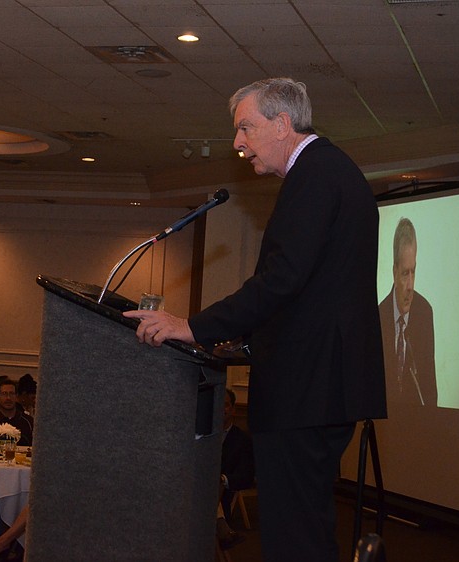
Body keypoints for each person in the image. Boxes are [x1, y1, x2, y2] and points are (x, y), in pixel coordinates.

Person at [124, 78, 386, 561]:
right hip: (320, 387)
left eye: (246, 128)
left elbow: (282, 280)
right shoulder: (328, 171)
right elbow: (306, 291)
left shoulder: (315, 175)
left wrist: (192, 326)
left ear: (282, 124)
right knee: (303, 529)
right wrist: (243, 340)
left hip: (306, 388)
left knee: (295, 538)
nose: (237, 143)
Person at [379, 217, 437, 407]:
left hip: (416, 427)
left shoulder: (424, 313)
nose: (411, 285)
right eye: (405, 273)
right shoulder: (378, 316)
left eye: (414, 272)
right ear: (395, 272)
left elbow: (429, 387)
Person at [217, 388, 254, 550]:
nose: (220, 409)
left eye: (225, 405)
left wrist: (223, 479)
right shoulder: (199, 435)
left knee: (211, 484)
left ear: (233, 409)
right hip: (191, 493)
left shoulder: (242, 440)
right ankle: (221, 527)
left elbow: (246, 476)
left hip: (222, 495)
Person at [0, 380, 34, 447]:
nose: (8, 398)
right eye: (4, 394)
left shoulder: (29, 422)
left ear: (16, 397)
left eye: (11, 393)